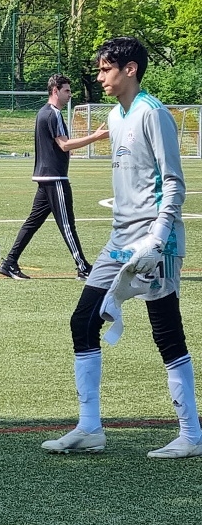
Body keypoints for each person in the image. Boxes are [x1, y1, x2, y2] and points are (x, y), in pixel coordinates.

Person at [42, 37, 201, 458]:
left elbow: (173, 182)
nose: (99, 77)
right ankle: (89, 428)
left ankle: (191, 435)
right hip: (118, 241)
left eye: (105, 69)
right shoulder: (114, 117)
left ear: (130, 69)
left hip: (156, 241)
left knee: (165, 329)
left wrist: (158, 237)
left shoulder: (154, 113)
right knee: (83, 321)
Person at [0, 74, 108, 280]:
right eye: (66, 90)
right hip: (55, 178)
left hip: (46, 177)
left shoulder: (43, 112)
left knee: (32, 223)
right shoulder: (53, 114)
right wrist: (95, 137)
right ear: (55, 91)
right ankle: (83, 267)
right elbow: (64, 144)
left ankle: (9, 263)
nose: (70, 94)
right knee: (67, 224)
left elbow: (58, 146)